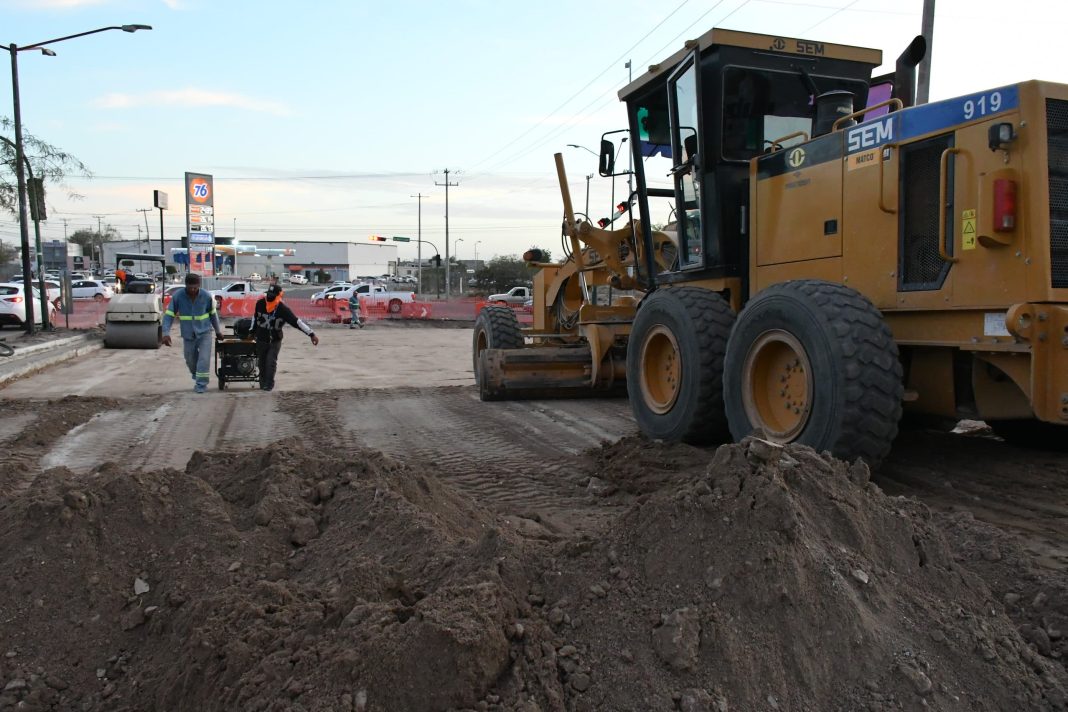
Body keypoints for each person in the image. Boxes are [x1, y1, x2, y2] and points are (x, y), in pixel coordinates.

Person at [161, 272, 224, 393]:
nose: (193, 290)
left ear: (199, 285)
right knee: (189, 358)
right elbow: (169, 315)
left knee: (204, 359)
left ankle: (201, 385)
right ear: (186, 285)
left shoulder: (206, 296)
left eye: (195, 287)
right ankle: (197, 375)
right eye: (190, 288)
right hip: (188, 334)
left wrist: (218, 331)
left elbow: (213, 314)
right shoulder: (178, 296)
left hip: (205, 332)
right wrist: (165, 333)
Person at [251, 284, 319, 391]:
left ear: (278, 296)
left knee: (270, 362)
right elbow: (254, 318)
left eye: (272, 295)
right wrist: (251, 331)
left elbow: (296, 322)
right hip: (261, 339)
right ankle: (263, 384)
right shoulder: (260, 303)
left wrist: (311, 334)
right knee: (261, 363)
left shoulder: (282, 309)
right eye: (268, 294)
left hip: (274, 340)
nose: (269, 297)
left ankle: (269, 385)